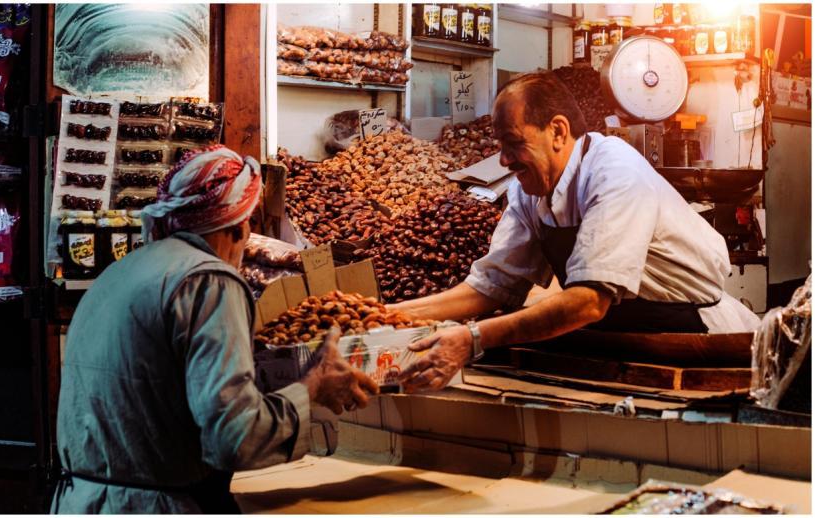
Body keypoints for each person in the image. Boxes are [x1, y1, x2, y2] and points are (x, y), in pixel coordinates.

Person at [52, 146, 378, 513]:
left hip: (81, 501)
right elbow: (234, 438)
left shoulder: (120, 272)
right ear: (240, 228)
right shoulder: (209, 281)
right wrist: (312, 386)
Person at [393, 72, 760, 393]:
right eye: (500, 147)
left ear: (557, 131)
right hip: (617, 341)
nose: (504, 160)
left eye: (514, 143)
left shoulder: (613, 171)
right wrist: (390, 315)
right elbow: (490, 287)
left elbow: (588, 301)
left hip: (693, 340)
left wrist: (473, 338)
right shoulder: (527, 190)